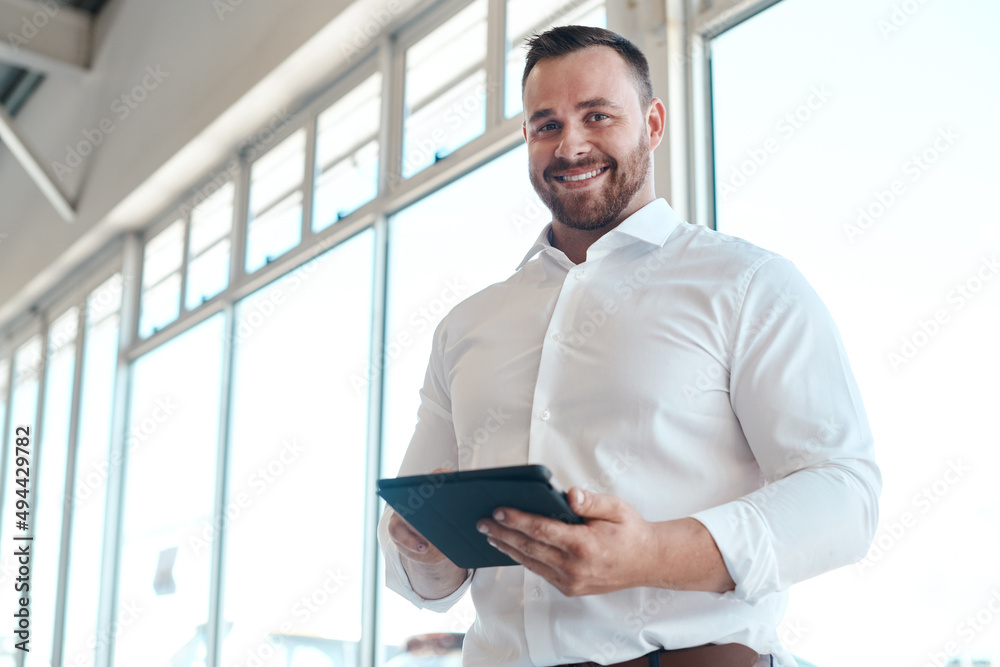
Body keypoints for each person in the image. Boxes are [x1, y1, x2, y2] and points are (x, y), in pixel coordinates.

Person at [377, 25, 880, 667]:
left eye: (597, 116)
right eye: (546, 124)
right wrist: (423, 542)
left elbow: (842, 494)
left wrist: (649, 554)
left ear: (654, 123)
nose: (571, 144)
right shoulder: (467, 325)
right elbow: (423, 573)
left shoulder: (750, 285)